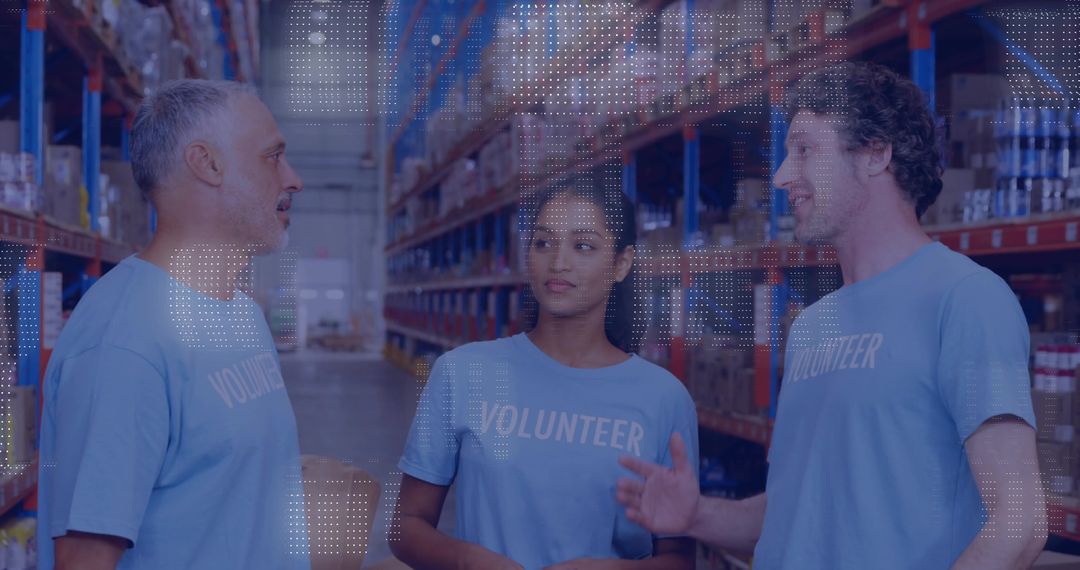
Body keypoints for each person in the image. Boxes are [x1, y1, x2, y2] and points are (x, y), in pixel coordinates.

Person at [616, 62, 1047, 569]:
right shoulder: (810, 326)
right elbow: (794, 512)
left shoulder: (965, 299)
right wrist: (696, 516)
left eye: (804, 151)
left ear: (875, 153)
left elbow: (1019, 521)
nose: (781, 177)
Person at [37, 80, 308, 570]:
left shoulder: (241, 313)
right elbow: (84, 560)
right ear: (206, 163)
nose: (293, 179)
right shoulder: (125, 343)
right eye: (273, 157)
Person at [390, 182, 699, 569]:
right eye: (542, 243)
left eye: (583, 245)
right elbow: (406, 526)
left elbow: (680, 559)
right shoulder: (461, 373)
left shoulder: (663, 399)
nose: (558, 263)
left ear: (621, 263)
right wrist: (468, 560)